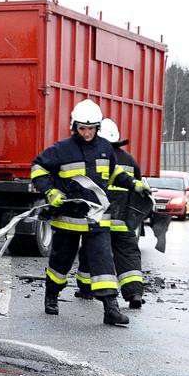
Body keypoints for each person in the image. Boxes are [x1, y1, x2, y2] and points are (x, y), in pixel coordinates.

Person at [30, 99, 146, 325]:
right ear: (74, 126)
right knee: (60, 262)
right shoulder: (61, 149)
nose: (86, 133)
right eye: (82, 128)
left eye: (91, 128)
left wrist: (134, 184)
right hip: (68, 219)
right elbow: (38, 167)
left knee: (103, 262)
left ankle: (110, 308)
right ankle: (51, 295)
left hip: (97, 219)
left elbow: (114, 174)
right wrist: (50, 192)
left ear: (97, 127)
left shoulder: (105, 149)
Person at [73, 118, 146, 308]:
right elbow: (137, 186)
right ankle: (134, 294)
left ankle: (87, 289)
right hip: (123, 221)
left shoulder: (93, 157)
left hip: (100, 219)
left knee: (91, 253)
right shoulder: (129, 160)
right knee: (128, 254)